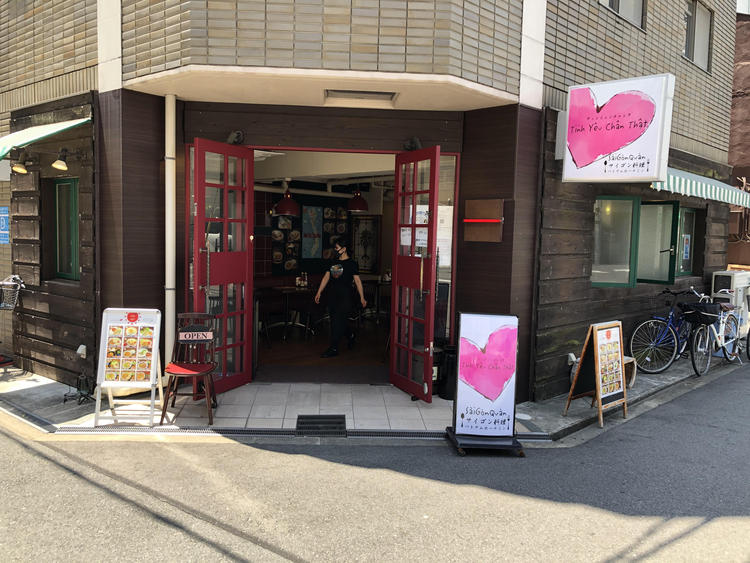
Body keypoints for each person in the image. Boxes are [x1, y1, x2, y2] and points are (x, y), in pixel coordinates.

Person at [314, 238, 367, 358]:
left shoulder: (352, 263)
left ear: (344, 249)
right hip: (332, 295)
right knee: (336, 320)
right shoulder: (333, 262)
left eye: (337, 248)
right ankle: (350, 335)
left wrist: (362, 297)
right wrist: (319, 292)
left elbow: (357, 281)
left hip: (345, 296)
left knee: (338, 321)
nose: (335, 250)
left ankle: (334, 348)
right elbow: (326, 277)